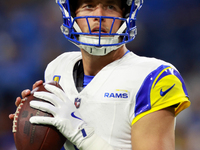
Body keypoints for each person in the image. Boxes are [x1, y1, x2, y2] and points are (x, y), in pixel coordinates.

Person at [9, 0, 190, 149]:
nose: (100, 16)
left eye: (110, 6)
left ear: (125, 16)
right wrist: (32, 124)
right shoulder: (57, 69)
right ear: (72, 15)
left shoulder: (154, 78)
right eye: (88, 5)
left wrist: (82, 133)